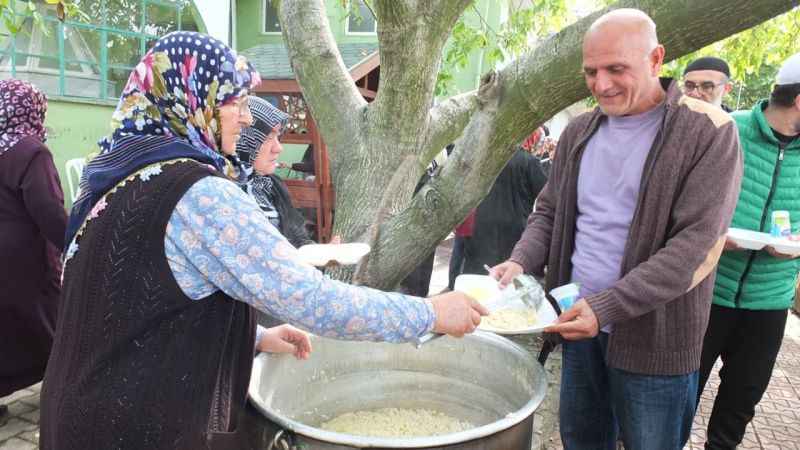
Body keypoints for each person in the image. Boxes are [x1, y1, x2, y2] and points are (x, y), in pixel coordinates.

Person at [39, 31, 487, 450]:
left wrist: (251, 337)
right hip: (133, 427)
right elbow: (313, 299)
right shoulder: (197, 194)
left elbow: (138, 306)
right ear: (196, 100)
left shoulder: (118, 175)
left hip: (79, 410)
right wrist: (428, 314)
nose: (249, 118)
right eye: (236, 102)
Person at [491, 9, 742, 450]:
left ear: (656, 59)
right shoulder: (580, 131)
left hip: (656, 342)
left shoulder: (708, 132)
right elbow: (548, 211)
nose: (601, 84)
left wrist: (606, 307)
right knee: (583, 441)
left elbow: (695, 247)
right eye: (591, 72)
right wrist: (520, 259)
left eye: (616, 69)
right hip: (577, 325)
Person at [698, 52, 800, 450]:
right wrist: (711, 233)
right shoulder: (728, 129)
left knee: (741, 402)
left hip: (768, 302)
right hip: (709, 289)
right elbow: (683, 200)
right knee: (679, 391)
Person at [0, 79, 67, 424]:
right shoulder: (30, 151)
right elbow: (50, 211)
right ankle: (60, 393)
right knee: (50, 325)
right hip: (23, 261)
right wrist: (75, 245)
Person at [235, 95, 313, 248]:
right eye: (268, 138)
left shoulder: (271, 185)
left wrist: (321, 253)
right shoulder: (225, 191)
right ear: (244, 139)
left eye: (278, 136)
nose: (278, 148)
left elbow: (298, 237)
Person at [460, 147, 547, 275]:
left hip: (481, 228)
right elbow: (547, 196)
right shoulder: (528, 161)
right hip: (514, 231)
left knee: (478, 278)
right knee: (508, 282)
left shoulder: (479, 159)